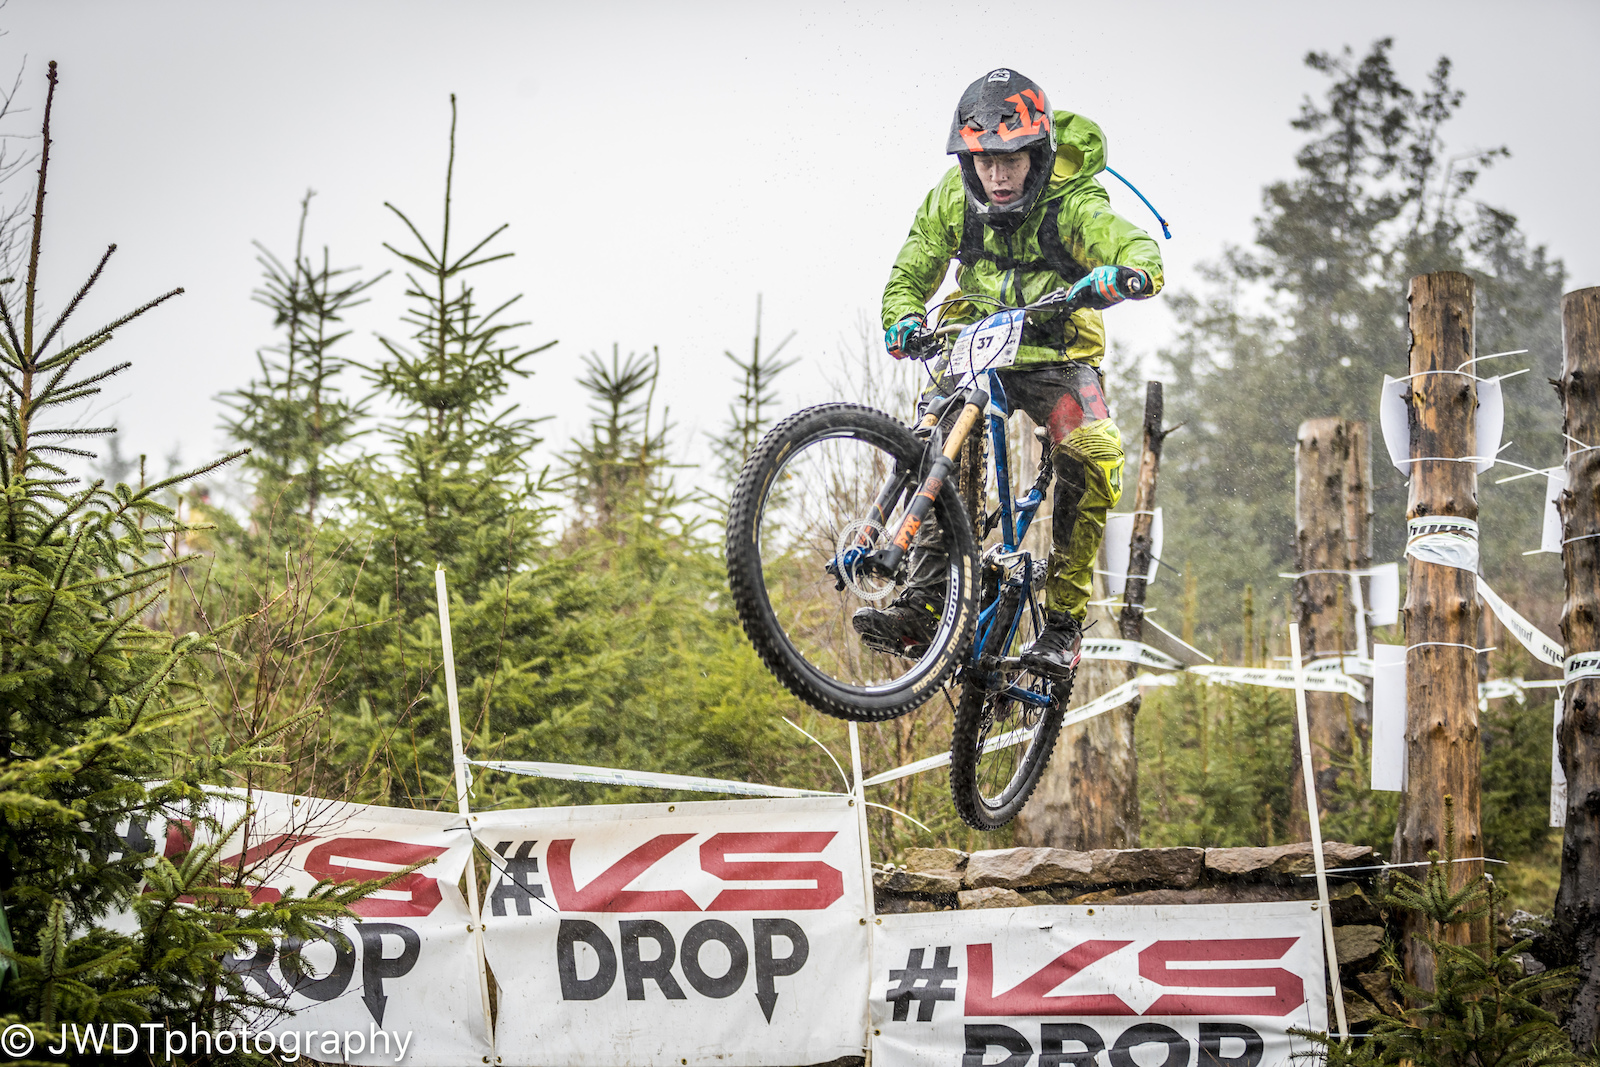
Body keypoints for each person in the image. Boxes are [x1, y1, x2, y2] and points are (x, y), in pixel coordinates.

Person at [852, 68, 1164, 678]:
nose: (997, 176)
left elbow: (1131, 245)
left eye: (1011, 161)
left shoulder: (1073, 200)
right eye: (984, 161)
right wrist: (904, 317)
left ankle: (1063, 622)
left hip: (1057, 352)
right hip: (976, 341)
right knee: (935, 438)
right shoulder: (953, 197)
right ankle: (926, 602)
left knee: (1094, 454)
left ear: (1036, 154)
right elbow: (910, 270)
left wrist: (1126, 274)